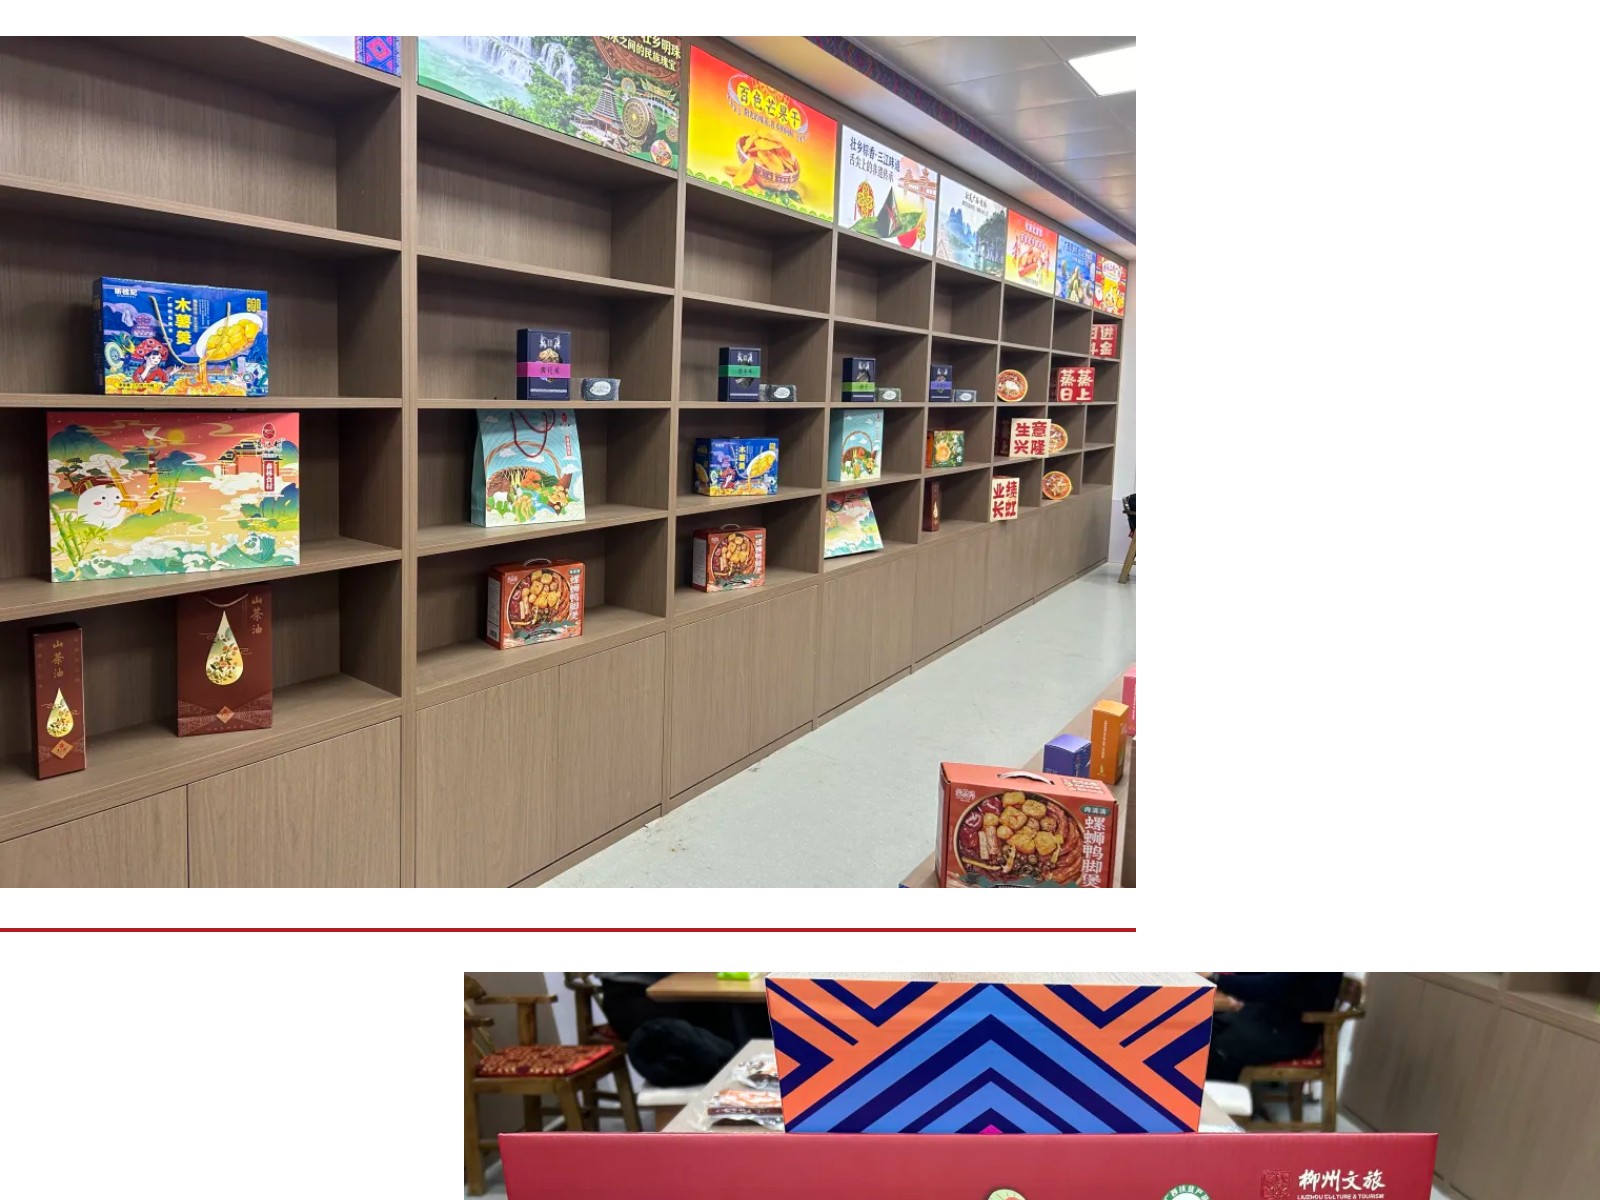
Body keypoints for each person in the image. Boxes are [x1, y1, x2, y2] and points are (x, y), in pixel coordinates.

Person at [593, 974, 772, 1088]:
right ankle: (747, 1082)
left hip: (673, 988)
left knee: (752, 1007)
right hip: (634, 995)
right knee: (736, 1011)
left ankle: (758, 1081)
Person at [1204, 973, 1344, 1082]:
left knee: (1218, 1044)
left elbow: (1267, 987)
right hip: (1274, 1019)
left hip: (1291, 1033)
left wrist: (1216, 978)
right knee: (1207, 1026)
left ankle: (1220, 1106)